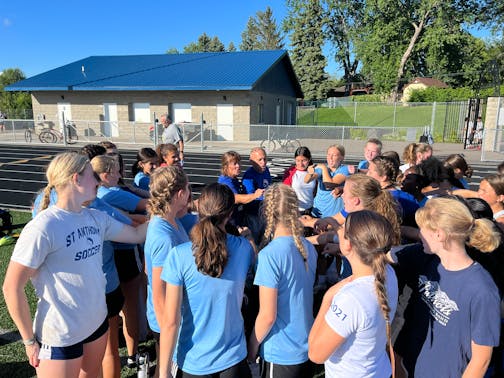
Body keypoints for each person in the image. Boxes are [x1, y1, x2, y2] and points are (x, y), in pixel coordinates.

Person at [2, 152, 147, 378]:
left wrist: (165, 212)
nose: (98, 182)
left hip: (96, 325)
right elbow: (12, 287)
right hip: (59, 334)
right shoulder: (44, 227)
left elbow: (137, 234)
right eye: (92, 176)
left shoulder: (95, 217)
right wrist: (29, 340)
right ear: (76, 179)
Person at [391, 197, 501, 377]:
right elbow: (385, 257)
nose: (419, 234)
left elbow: (481, 360)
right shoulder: (426, 257)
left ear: (439, 234)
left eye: (422, 229)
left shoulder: (482, 289)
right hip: (412, 367)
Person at [159, 183, 255, 377]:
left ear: (199, 208)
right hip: (233, 359)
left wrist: (163, 371)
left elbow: (171, 321)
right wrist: (250, 237)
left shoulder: (178, 256)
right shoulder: (244, 249)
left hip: (194, 361)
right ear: (229, 215)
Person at [308, 210, 398, 377]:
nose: (338, 231)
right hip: (377, 370)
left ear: (348, 245)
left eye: (342, 229)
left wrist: (327, 298)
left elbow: (315, 354)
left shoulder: (351, 299)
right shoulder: (388, 272)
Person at [247, 184, 317, 377]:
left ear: (267, 214)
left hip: (280, 352)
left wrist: (252, 348)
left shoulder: (270, 255)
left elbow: (268, 315)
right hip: (305, 345)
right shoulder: (307, 248)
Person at [92, 155, 147, 367]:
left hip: (95, 275)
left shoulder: (48, 205)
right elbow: (132, 225)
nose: (120, 175)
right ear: (104, 175)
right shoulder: (107, 196)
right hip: (123, 255)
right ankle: (133, 353)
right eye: (116, 171)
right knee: (130, 307)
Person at [144, 166, 190, 377]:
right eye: (188, 189)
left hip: (172, 318)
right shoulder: (164, 237)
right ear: (179, 193)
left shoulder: (170, 220)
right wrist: (169, 332)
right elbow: (159, 292)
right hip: (167, 322)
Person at [217, 151, 264, 229]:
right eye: (235, 164)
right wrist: (255, 195)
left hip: (237, 219)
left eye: (238, 163)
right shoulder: (225, 181)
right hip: (230, 224)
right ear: (226, 166)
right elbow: (236, 198)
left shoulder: (233, 179)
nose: (238, 166)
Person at [309, 145, 354, 219]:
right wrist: (309, 173)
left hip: (335, 216)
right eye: (329, 154)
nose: (330, 158)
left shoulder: (344, 169)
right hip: (318, 213)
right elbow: (308, 180)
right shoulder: (321, 170)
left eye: (334, 155)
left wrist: (323, 167)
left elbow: (329, 184)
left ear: (342, 157)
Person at [242, 147, 271, 242]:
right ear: (252, 162)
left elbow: (268, 186)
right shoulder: (248, 177)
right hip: (253, 215)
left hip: (264, 212)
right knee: (254, 240)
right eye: (260, 160)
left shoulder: (266, 170)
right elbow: (251, 197)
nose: (263, 162)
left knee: (265, 239)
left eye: (265, 159)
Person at [282, 146, 317, 215]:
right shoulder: (290, 172)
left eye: (304, 160)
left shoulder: (314, 171)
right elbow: (284, 192)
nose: (300, 164)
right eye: (298, 161)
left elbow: (316, 191)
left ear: (309, 159)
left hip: (311, 210)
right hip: (294, 211)